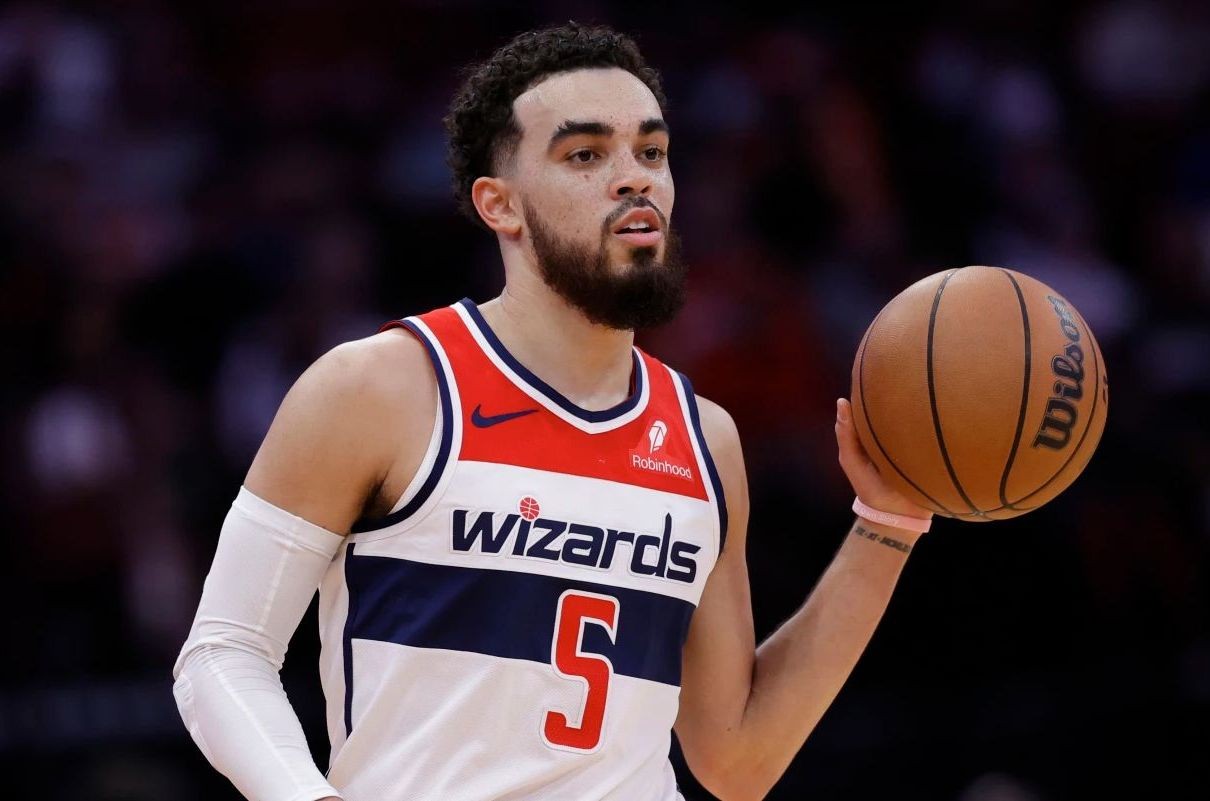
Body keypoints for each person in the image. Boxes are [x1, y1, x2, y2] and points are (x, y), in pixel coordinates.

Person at [172, 22, 935, 801]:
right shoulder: (380, 388)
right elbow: (223, 652)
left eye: (652, 151)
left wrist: (889, 523)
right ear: (499, 204)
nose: (634, 178)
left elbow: (737, 760)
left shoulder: (705, 438)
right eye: (586, 155)